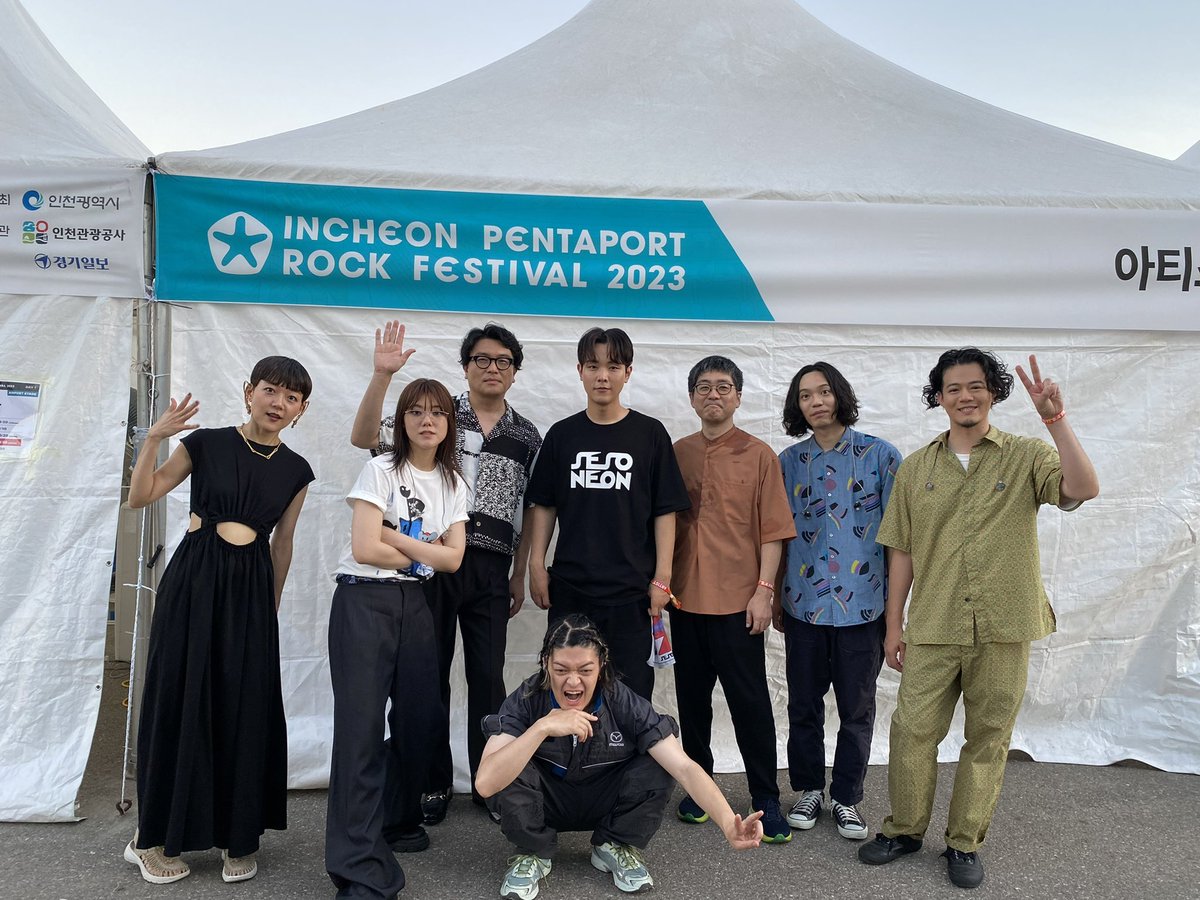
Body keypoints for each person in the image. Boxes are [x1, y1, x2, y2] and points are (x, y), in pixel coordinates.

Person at [858, 350, 1099, 889]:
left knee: (988, 737)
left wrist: (1055, 419)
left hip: (1005, 623)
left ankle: (964, 842)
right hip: (934, 622)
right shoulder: (916, 468)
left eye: (975, 386)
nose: (965, 396)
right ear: (938, 398)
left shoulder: (1027, 455)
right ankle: (904, 830)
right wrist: (893, 626)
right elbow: (901, 552)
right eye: (953, 388)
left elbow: (1083, 489)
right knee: (912, 730)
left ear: (993, 392)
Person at [123, 357, 314, 885]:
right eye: (271, 390)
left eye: (292, 398)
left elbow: (283, 543)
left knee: (242, 705)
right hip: (194, 581)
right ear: (250, 391)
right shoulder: (205, 443)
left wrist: (271, 605)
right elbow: (141, 496)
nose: (278, 403)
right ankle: (149, 839)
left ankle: (238, 833)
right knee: (180, 698)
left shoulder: (297, 470)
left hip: (251, 593)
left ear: (301, 410)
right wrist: (154, 437)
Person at [350, 320, 542, 824]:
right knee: (427, 676)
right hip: (430, 563)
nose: (492, 368)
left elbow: (526, 509)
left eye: (503, 361)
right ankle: (430, 782)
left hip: (492, 569)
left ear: (515, 372)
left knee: (488, 678)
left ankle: (489, 783)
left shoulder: (527, 435)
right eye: (482, 359)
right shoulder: (437, 413)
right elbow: (365, 437)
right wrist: (382, 376)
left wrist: (518, 574)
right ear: (466, 366)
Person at [476, 614, 763, 900]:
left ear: (601, 665)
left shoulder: (623, 701)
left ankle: (614, 844)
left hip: (604, 799)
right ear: (545, 664)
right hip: (545, 801)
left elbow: (685, 768)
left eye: (585, 670)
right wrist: (541, 728)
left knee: (659, 759)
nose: (573, 681)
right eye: (561, 670)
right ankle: (533, 851)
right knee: (507, 763)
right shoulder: (526, 699)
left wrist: (728, 822)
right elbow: (486, 783)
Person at [326, 378, 469, 900]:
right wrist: (422, 555)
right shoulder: (382, 469)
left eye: (438, 413)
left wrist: (393, 536)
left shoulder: (454, 482)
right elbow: (365, 549)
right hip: (364, 600)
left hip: (414, 603)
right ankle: (357, 866)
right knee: (360, 732)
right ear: (402, 421)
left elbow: (455, 559)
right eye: (416, 412)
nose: (427, 421)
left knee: (419, 720)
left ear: (450, 423)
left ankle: (395, 819)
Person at [670, 356, 796, 842]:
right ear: (691, 397)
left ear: (739, 397)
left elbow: (773, 531)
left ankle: (766, 795)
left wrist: (765, 591)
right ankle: (700, 789)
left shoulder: (759, 455)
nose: (714, 395)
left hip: (739, 603)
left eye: (724, 387)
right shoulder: (676, 453)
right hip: (685, 600)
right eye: (704, 387)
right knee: (691, 701)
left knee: (750, 703)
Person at [526, 327, 689, 701]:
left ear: (628, 372)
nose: (603, 376)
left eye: (613, 367)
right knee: (569, 692)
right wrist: (536, 565)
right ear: (580, 371)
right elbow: (544, 503)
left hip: (631, 593)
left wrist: (662, 578)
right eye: (593, 366)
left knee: (630, 696)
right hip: (571, 589)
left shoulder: (650, 434)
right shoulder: (562, 435)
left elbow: (666, 511)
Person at [775, 362, 902, 841]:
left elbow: (900, 539)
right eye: (805, 395)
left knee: (857, 709)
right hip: (803, 605)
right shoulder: (788, 463)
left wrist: (896, 614)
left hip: (863, 608)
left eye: (824, 392)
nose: (816, 402)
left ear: (840, 395)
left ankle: (847, 797)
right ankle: (809, 788)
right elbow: (777, 535)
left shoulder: (881, 457)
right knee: (803, 705)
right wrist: (775, 593)